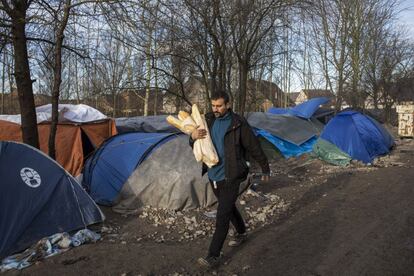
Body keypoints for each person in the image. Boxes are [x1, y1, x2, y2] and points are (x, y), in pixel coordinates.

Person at [190, 91, 270, 268]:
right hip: (213, 175)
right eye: (213, 105)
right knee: (228, 207)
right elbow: (196, 143)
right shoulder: (208, 120)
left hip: (232, 175)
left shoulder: (238, 123)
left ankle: (213, 255)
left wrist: (265, 167)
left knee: (222, 214)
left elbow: (253, 146)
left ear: (228, 104)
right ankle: (241, 232)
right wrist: (192, 137)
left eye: (219, 106)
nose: (215, 109)